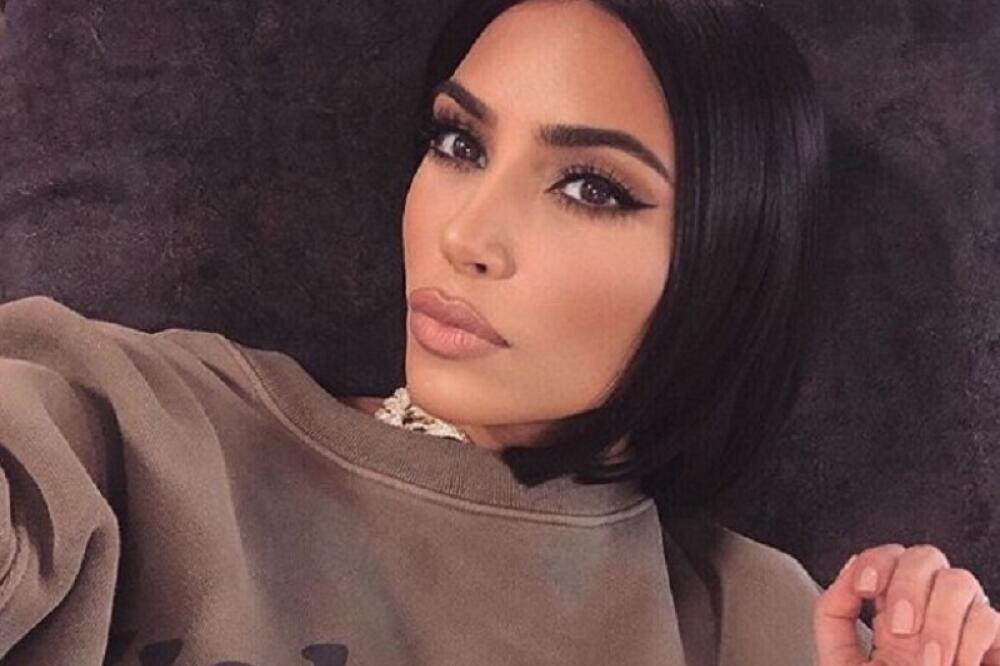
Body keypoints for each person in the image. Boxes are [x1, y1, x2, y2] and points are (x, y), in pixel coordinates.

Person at [0, 0, 995, 664]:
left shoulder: (778, 626)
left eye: (589, 188)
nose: (465, 236)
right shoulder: (129, 420)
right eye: (458, 143)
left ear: (723, 268)